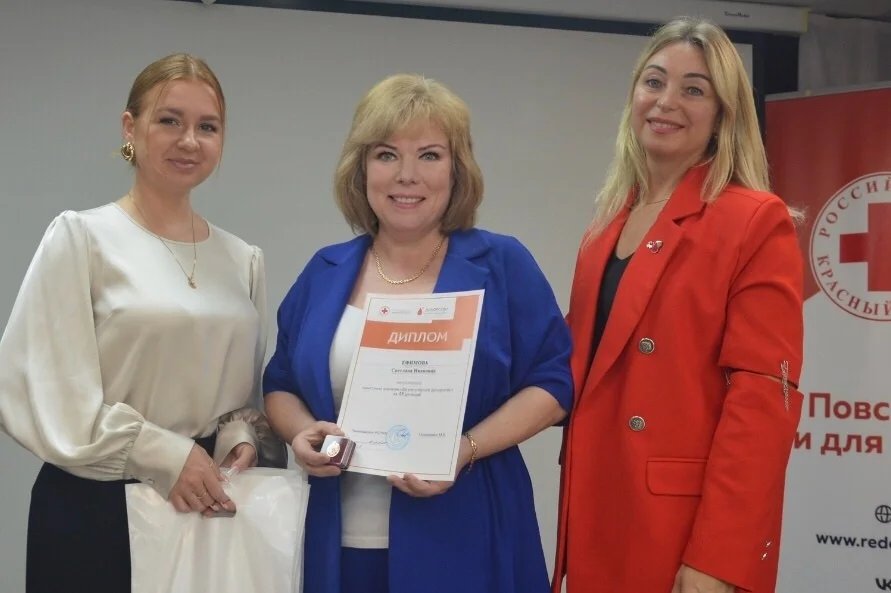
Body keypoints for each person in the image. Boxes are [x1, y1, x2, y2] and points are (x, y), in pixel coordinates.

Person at [263, 73, 573, 593]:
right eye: (387, 154)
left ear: (457, 170)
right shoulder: (324, 271)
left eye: (429, 155)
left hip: (467, 536)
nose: (407, 175)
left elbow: (553, 383)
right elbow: (280, 384)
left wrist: (464, 448)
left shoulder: (502, 264)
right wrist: (300, 433)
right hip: (334, 544)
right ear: (362, 169)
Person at [552, 17, 805, 593]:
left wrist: (720, 558)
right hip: (598, 505)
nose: (666, 101)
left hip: (680, 530)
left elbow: (763, 400)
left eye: (694, 89)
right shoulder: (606, 225)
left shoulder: (753, 220)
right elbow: (573, 362)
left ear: (723, 115)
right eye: (654, 82)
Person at [0, 53, 268, 593]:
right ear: (130, 127)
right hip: (96, 508)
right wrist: (163, 454)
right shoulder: (81, 238)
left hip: (202, 505)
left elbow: (244, 390)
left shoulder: (243, 259)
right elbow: (42, 390)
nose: (189, 140)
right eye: (169, 120)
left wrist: (240, 436)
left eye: (207, 127)